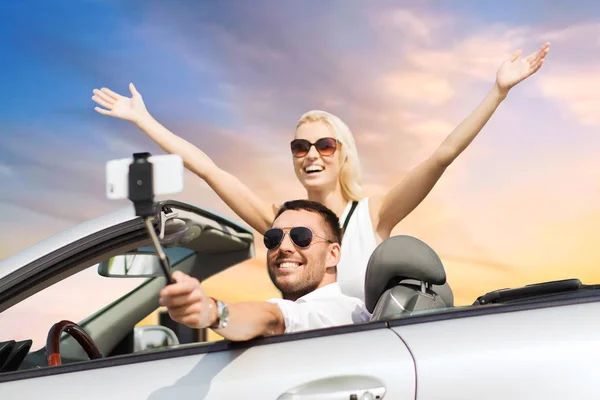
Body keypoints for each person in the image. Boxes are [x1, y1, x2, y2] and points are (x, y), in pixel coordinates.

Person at [93, 42, 550, 301]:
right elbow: (209, 169)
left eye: (324, 144)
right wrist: (144, 120)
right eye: (300, 146)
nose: (312, 154)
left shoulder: (375, 215)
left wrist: (498, 92)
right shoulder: (283, 224)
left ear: (343, 154)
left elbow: (442, 155)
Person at [158, 200, 371, 341]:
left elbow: (272, 318)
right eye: (274, 239)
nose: (284, 247)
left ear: (333, 254)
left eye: (302, 237)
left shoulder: (338, 310)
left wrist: (214, 312)